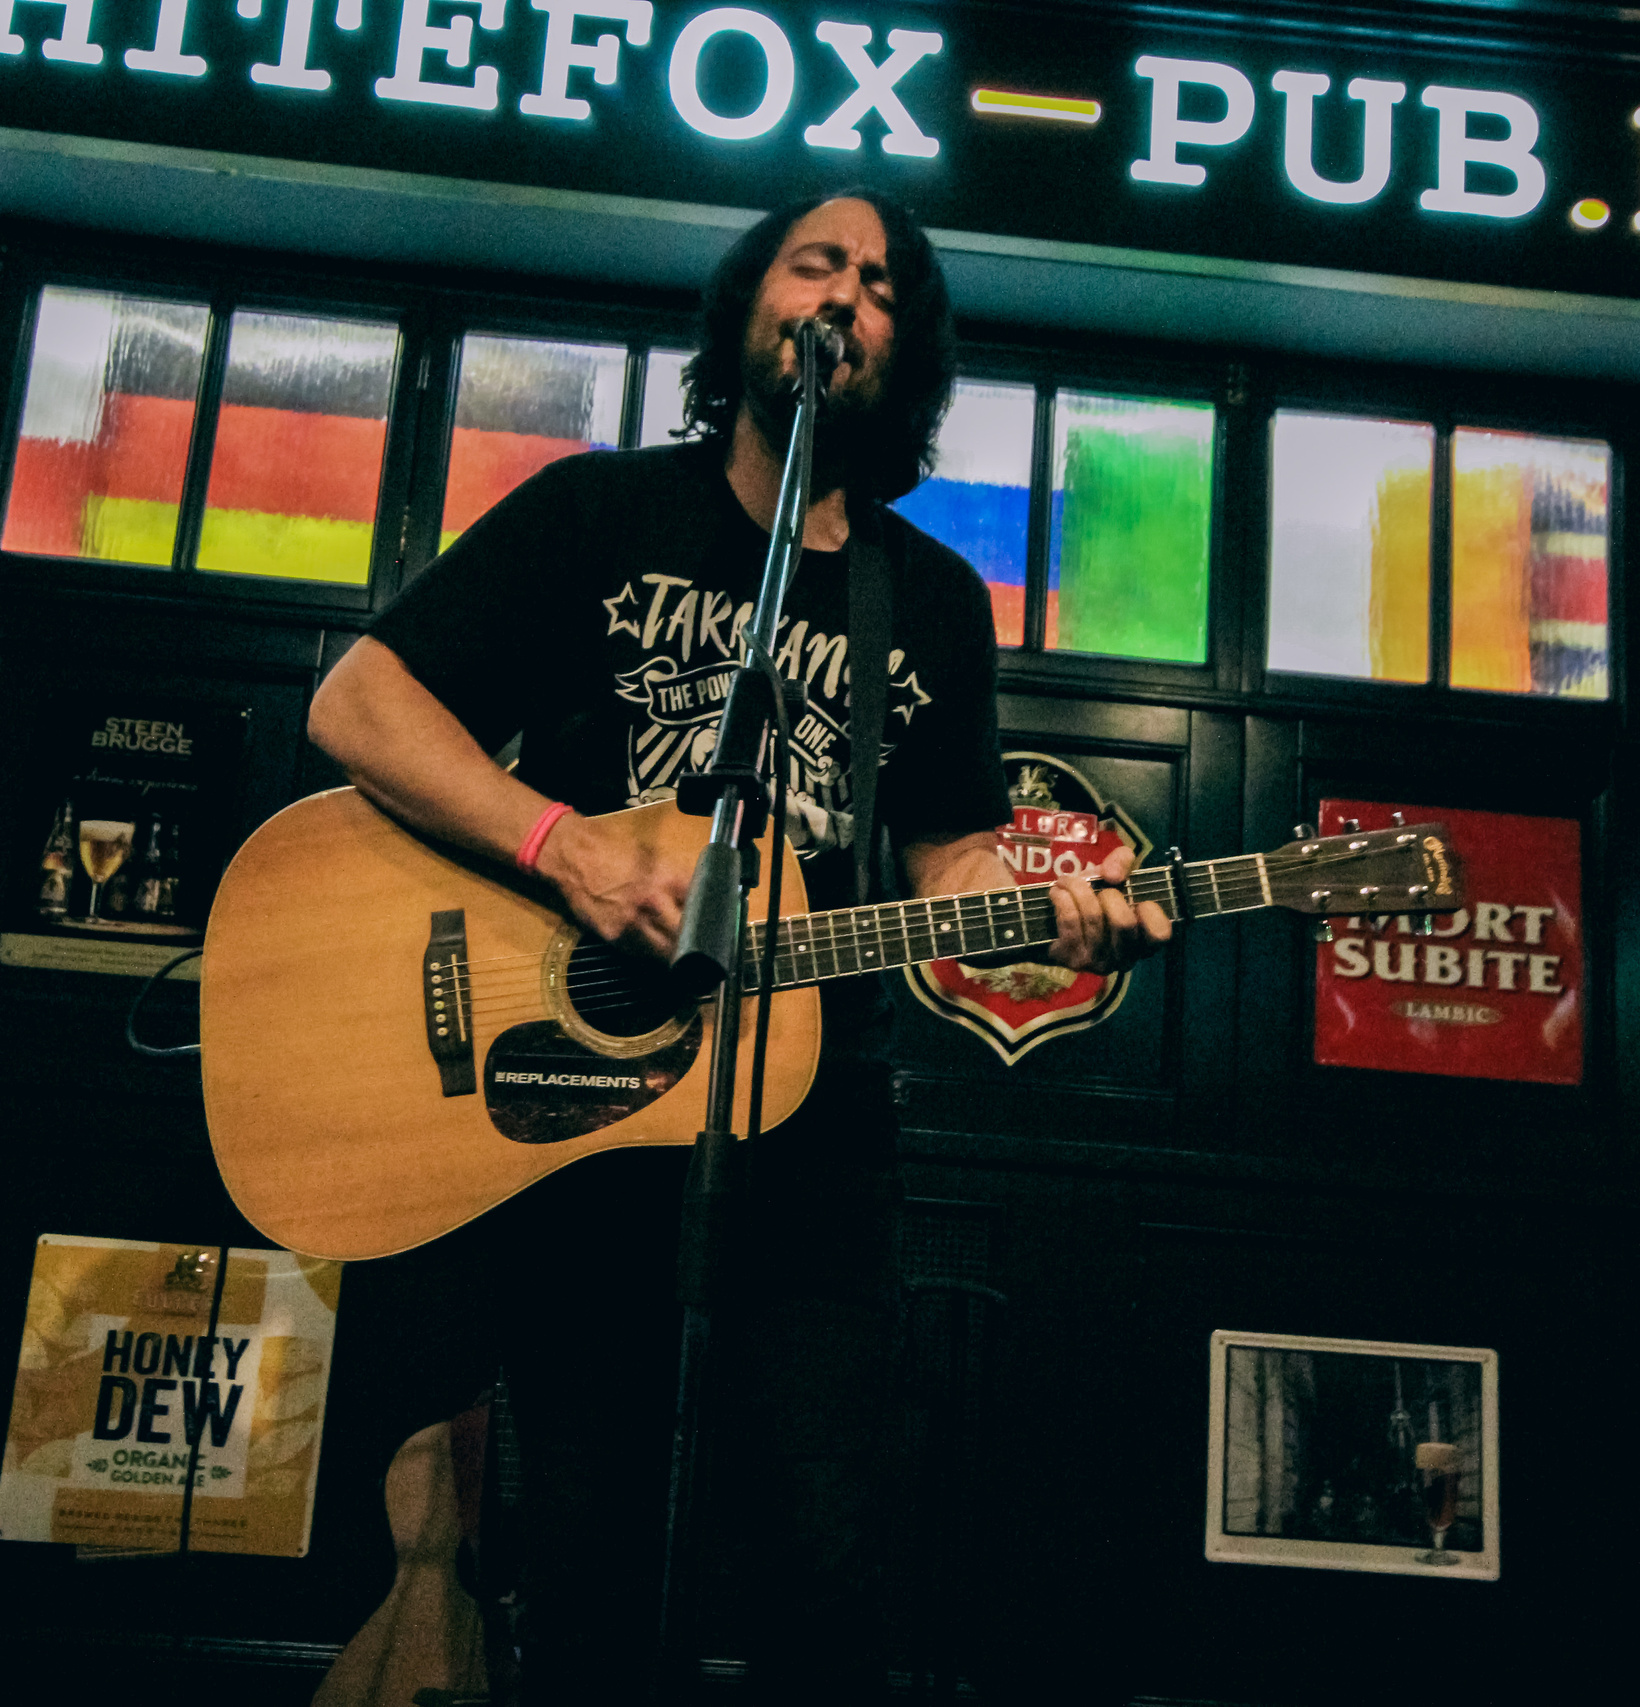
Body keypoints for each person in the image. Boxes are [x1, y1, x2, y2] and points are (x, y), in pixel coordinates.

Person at [308, 189, 1169, 1705]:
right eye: (816, 263)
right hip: (580, 1123)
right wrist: (561, 845)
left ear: (909, 351)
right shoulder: (597, 515)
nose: (845, 296)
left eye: (883, 285)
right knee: (584, 1572)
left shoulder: (931, 602)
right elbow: (358, 705)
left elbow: (947, 858)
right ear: (750, 304)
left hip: (814, 1148)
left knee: (822, 1574)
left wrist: (1057, 908)